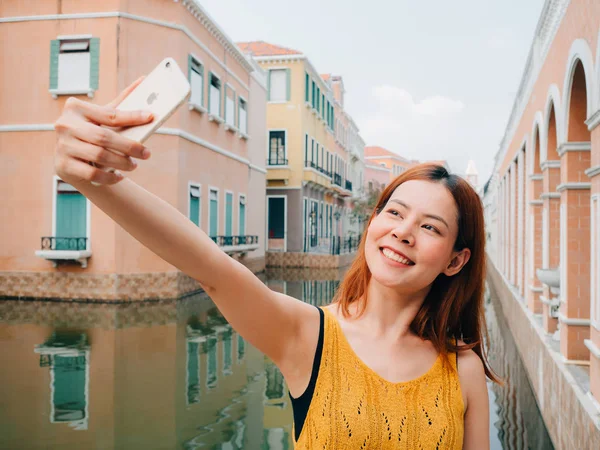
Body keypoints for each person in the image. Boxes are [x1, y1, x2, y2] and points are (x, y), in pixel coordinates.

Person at [53, 78, 499, 449]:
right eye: (395, 213)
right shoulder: (308, 335)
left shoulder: (462, 369)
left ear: (456, 261)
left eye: (431, 227)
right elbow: (211, 267)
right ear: (374, 223)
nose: (403, 231)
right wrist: (90, 179)